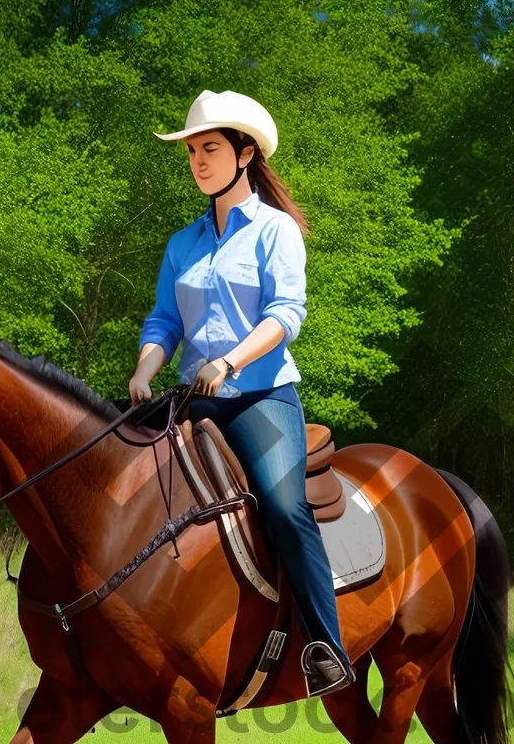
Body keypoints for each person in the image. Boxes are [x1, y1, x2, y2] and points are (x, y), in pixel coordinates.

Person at [129, 89, 354, 699]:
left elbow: (287, 314)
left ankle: (325, 646)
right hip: (192, 398)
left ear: (245, 153)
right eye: (193, 151)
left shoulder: (277, 231)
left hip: (260, 397)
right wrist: (145, 370)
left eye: (210, 149)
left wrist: (229, 360)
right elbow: (163, 322)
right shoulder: (183, 243)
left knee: (284, 508)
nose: (198, 161)